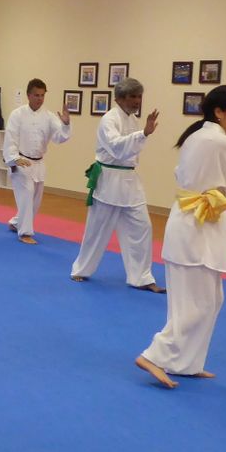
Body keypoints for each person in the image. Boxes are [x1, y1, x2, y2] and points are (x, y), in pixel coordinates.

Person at [136, 85, 226, 388]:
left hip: (194, 222)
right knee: (199, 302)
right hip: (196, 226)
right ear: (219, 111)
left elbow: (181, 174)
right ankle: (154, 355)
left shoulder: (198, 136)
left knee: (209, 299)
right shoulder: (221, 143)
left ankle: (186, 363)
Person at [69, 78, 165, 293]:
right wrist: (144, 134)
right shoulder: (109, 119)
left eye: (139, 96)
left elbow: (131, 149)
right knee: (97, 229)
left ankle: (141, 277)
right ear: (119, 98)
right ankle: (81, 269)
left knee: (143, 227)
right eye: (133, 97)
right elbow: (117, 148)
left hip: (130, 182)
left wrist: (142, 133)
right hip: (109, 181)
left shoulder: (132, 120)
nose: (137, 101)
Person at [4, 78, 71, 244]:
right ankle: (25, 233)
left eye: (42, 95)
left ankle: (16, 222)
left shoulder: (49, 117)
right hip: (21, 160)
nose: (39, 98)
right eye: (36, 95)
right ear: (28, 95)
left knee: (35, 200)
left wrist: (66, 124)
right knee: (26, 195)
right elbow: (10, 138)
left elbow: (59, 138)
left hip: (38, 163)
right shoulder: (17, 114)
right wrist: (14, 158)